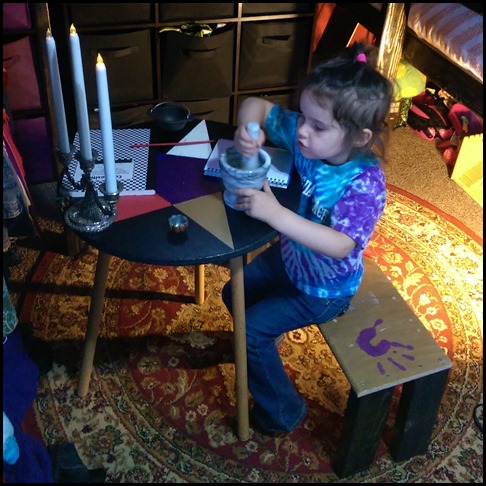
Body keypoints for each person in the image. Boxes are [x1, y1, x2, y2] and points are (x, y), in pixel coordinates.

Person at [221, 42, 394, 435]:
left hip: (325, 289)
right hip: (290, 259)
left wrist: (276, 214)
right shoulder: (308, 140)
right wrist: (248, 130)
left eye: (318, 126)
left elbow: (341, 245)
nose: (301, 131)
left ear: (359, 137)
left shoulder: (364, 183)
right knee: (232, 294)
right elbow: (255, 105)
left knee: (250, 331)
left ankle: (285, 410)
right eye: (303, 117)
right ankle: (263, 345)